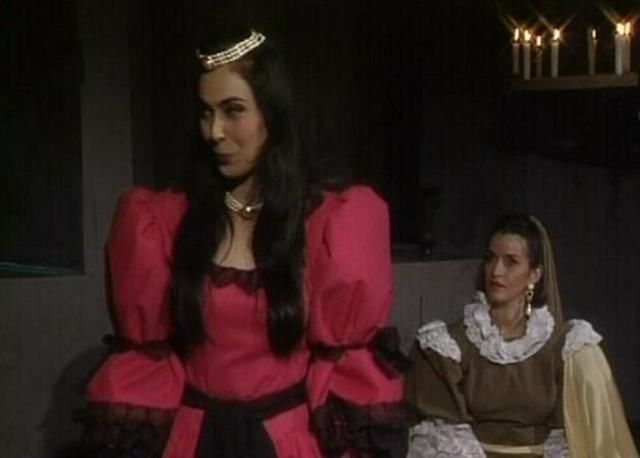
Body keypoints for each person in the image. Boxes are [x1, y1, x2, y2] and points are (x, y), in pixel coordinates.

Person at [76, 25, 407, 458]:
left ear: (272, 115)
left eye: (233, 111)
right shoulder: (165, 222)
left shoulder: (325, 224)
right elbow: (146, 364)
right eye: (205, 112)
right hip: (193, 441)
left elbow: (346, 371)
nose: (214, 131)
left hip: (286, 441)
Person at [405, 214, 639, 458]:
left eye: (511, 262)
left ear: (534, 274)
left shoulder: (564, 346)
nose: (496, 271)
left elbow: (582, 433)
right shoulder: (447, 347)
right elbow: (442, 436)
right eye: (491, 259)